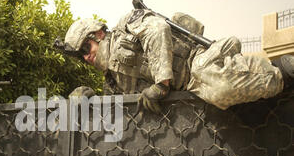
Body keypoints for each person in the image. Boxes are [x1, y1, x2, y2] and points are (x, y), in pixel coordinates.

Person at [62, 8, 294, 113]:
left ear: (98, 34)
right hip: (186, 95)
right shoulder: (112, 80)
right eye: (81, 56)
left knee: (218, 86)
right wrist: (87, 98)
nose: (86, 57)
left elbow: (158, 29)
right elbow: (117, 113)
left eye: (86, 47)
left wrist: (161, 84)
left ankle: (282, 71)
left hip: (196, 62)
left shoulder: (126, 27)